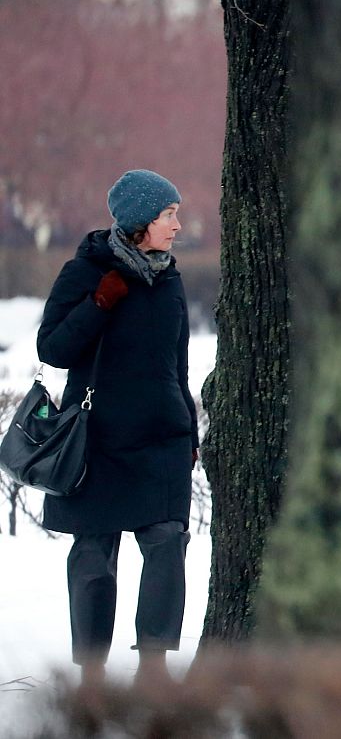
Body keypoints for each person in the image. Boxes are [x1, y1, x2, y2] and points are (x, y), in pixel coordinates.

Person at [37, 169, 199, 691]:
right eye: (168, 215)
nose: (177, 225)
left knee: (167, 544)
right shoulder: (87, 272)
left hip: (161, 442)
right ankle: (91, 674)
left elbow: (178, 363)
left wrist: (188, 430)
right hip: (98, 441)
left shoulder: (169, 277)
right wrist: (100, 303)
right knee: (93, 555)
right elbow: (53, 350)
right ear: (138, 222)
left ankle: (153, 668)